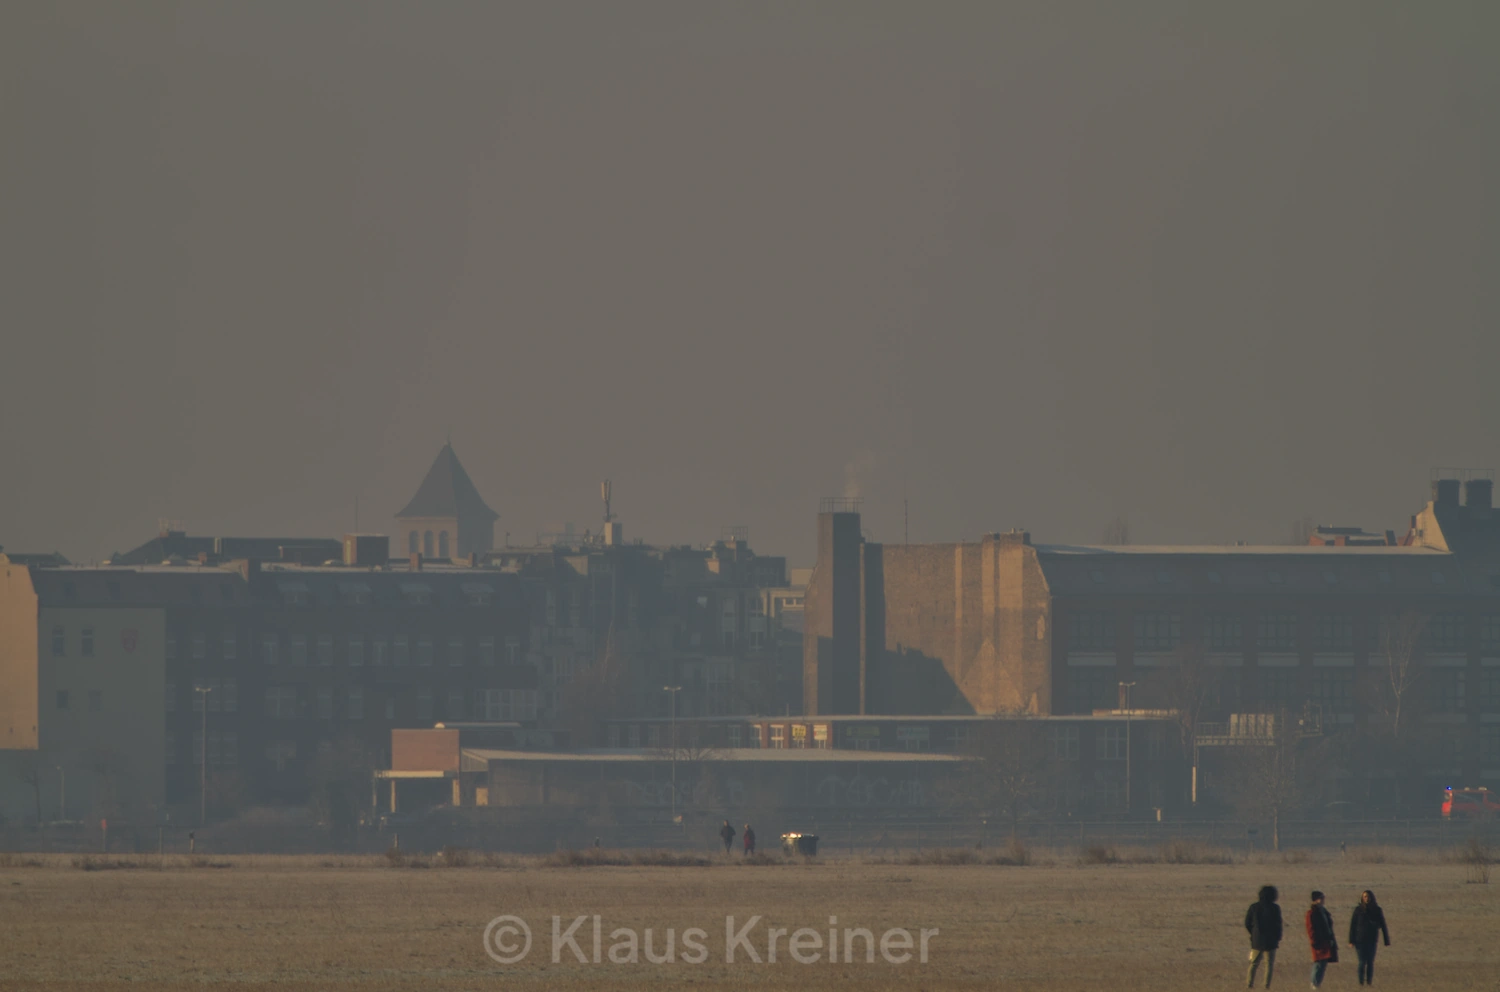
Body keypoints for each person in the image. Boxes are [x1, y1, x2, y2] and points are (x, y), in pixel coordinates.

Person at [1347, 889, 1390, 986]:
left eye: (1368, 896)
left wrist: (1386, 940)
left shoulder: (1377, 910)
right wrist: (1351, 940)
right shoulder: (1358, 910)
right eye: (1365, 896)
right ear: (1362, 898)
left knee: (1370, 962)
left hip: (1372, 940)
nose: (1367, 898)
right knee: (1362, 962)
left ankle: (1369, 982)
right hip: (1359, 940)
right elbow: (1353, 925)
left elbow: (1383, 925)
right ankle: (1361, 982)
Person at [1244, 884, 1283, 988]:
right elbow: (1278, 924)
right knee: (1269, 965)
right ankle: (1266, 986)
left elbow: (1247, 923)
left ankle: (1249, 984)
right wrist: (1278, 937)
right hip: (1271, 941)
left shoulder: (1254, 907)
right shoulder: (1275, 908)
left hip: (1256, 941)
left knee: (1253, 964)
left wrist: (1253, 933)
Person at [1306, 891, 1338, 988]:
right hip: (1318, 942)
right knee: (1318, 963)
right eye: (1321, 898)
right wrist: (1314, 941)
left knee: (1323, 963)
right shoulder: (1311, 913)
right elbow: (1310, 929)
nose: (1323, 900)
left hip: (1326, 941)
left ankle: (1317, 984)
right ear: (1316, 900)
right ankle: (1314, 983)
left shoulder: (1323, 911)